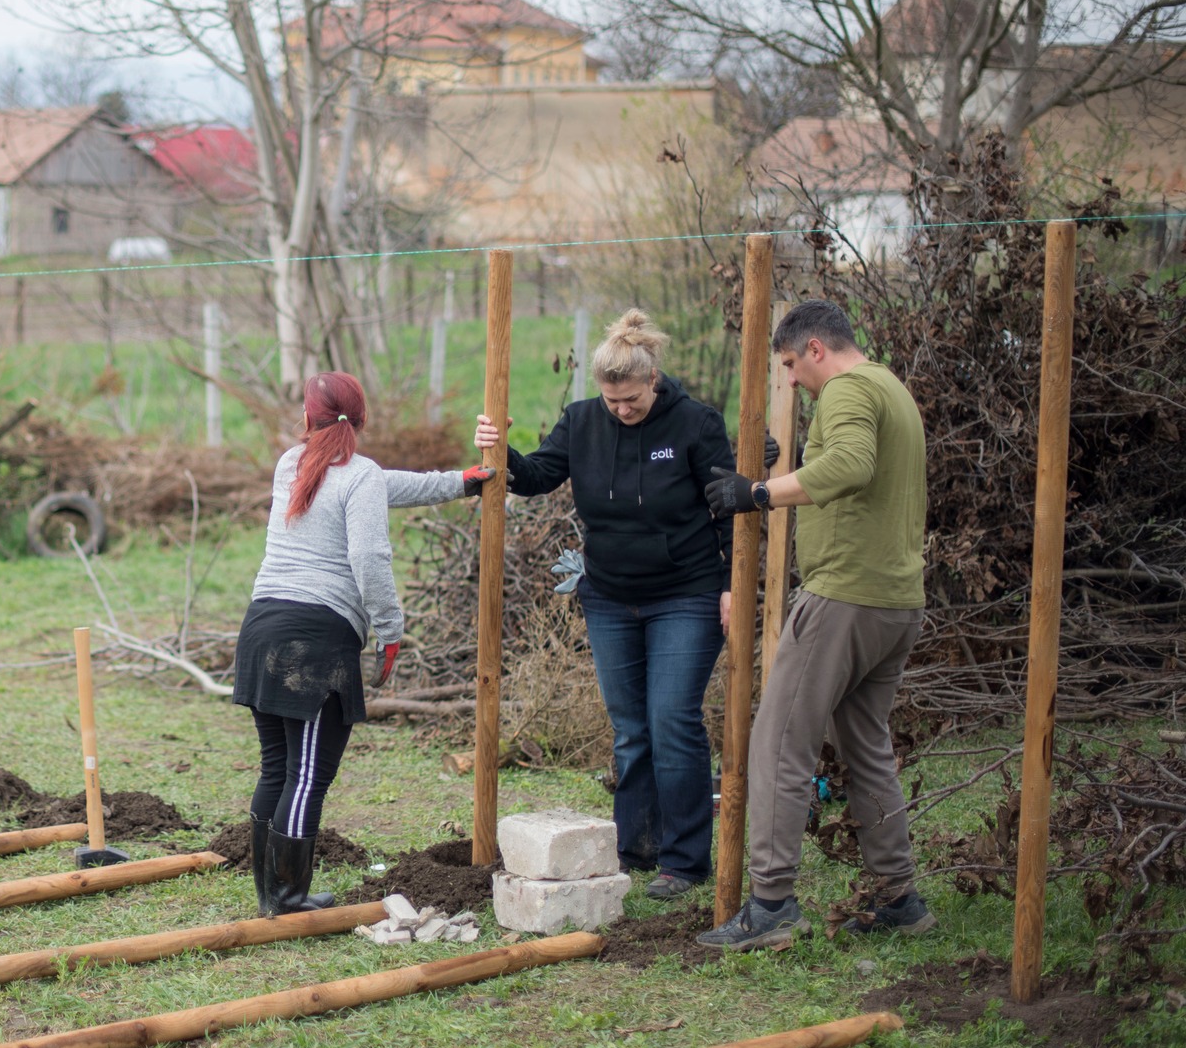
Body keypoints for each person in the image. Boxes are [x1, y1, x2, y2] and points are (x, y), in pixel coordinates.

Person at [475, 309, 755, 901]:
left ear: (653, 379)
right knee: (630, 730)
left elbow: (728, 507)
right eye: (612, 401)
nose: (621, 410)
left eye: (631, 400)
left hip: (685, 593)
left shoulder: (696, 423)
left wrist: (734, 584)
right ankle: (637, 847)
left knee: (671, 720)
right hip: (608, 597)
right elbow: (538, 476)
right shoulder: (582, 421)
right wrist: (501, 452)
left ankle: (685, 860)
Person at [697, 298, 931, 950]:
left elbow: (852, 465)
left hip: (845, 598)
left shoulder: (847, 391)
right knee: (866, 746)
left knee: (779, 743)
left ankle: (772, 903)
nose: (791, 379)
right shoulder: (890, 387)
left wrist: (759, 493)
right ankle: (899, 897)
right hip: (895, 600)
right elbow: (855, 466)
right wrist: (785, 467)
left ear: (816, 349)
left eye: (791, 364)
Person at [236, 371, 495, 915]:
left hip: (261, 630)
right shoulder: (360, 477)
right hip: (314, 644)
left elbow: (382, 484)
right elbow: (369, 556)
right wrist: (390, 629)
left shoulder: (291, 464)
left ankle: (271, 896)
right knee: (307, 775)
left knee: (278, 768)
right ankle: (286, 898)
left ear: (307, 419)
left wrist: (459, 481)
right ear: (362, 419)